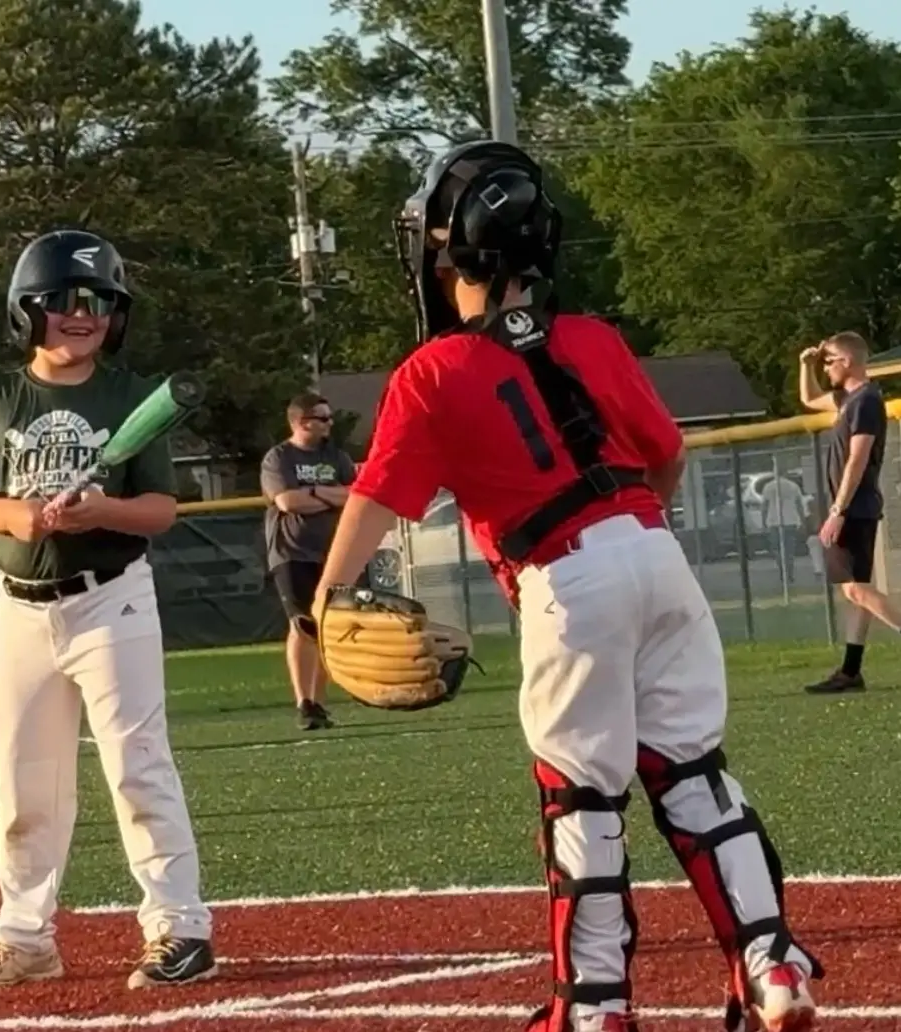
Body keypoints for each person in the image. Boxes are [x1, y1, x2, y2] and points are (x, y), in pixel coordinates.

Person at [307, 141, 821, 1032]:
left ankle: (592, 1007)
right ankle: (770, 960)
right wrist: (633, 544)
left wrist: (326, 599)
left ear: (447, 254)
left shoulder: (431, 372)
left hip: (564, 575)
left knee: (582, 800)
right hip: (656, 556)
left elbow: (377, 498)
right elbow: (664, 456)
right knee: (694, 775)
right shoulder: (591, 337)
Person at [0, 229, 215, 991]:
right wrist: (16, 517)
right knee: (24, 783)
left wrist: (102, 510)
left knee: (137, 766)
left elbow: (160, 510)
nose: (83, 313)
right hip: (21, 609)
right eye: (63, 299)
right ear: (27, 310)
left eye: (99, 300)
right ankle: (25, 939)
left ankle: (180, 928)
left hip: (111, 599)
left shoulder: (131, 397)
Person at [798, 333, 901, 693]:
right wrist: (806, 365)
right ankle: (851, 672)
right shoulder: (847, 400)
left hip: (854, 507)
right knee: (856, 591)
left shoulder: (866, 400)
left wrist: (838, 509)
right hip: (852, 507)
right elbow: (809, 399)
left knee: (857, 590)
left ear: (847, 362)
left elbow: (858, 457)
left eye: (829, 362)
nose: (826, 368)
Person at [260, 391, 361, 730]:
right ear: (302, 422)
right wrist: (329, 495)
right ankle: (304, 702)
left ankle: (319, 704)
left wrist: (314, 492)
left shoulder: (336, 456)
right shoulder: (279, 458)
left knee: (327, 627)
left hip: (333, 551)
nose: (330, 423)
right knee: (302, 624)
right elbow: (288, 502)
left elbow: (355, 495)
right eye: (323, 418)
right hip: (292, 552)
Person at [759, 471, 807, 588]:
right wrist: (802, 521)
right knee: (789, 550)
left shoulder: (768, 486)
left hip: (774, 522)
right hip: (790, 521)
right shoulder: (793, 486)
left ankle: (782, 571)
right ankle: (789, 573)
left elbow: (764, 507)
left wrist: (763, 522)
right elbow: (799, 505)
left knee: (777, 550)